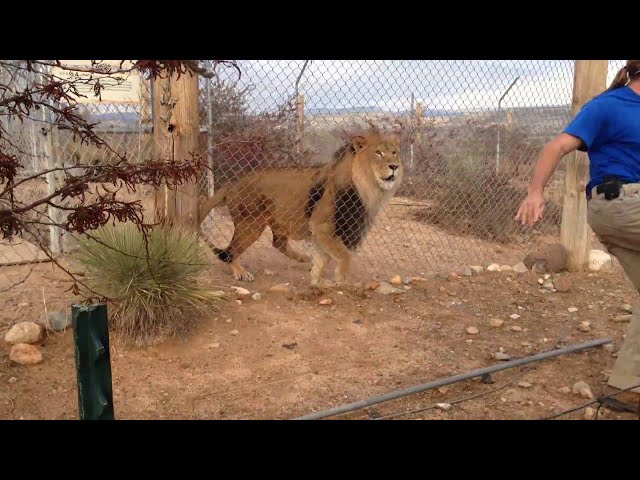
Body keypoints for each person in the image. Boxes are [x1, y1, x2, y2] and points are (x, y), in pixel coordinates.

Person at [515, 60, 640, 409]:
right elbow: (556, 146)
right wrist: (535, 192)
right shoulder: (609, 105)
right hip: (621, 203)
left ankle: (626, 387)